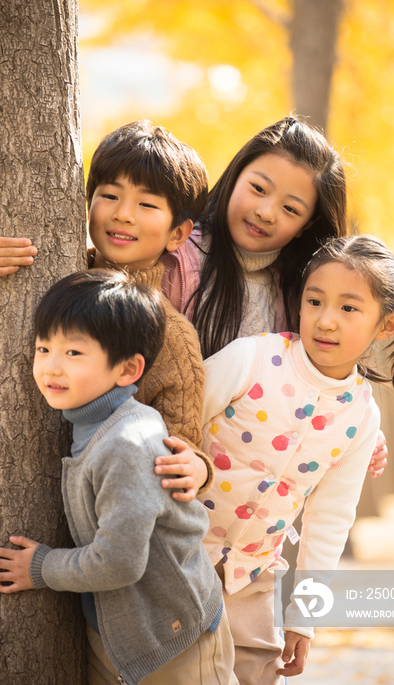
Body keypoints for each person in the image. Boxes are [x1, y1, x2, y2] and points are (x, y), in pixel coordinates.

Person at [191, 235, 394, 684]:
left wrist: (304, 618)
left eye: (348, 308)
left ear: (386, 324)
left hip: (254, 576)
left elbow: (328, 522)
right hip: (180, 554)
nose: (326, 320)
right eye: (315, 300)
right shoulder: (253, 359)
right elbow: (177, 424)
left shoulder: (361, 418)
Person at [0, 269, 238, 685]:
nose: (51, 367)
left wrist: (42, 567)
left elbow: (120, 561)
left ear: (128, 370)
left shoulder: (127, 443)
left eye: (73, 353)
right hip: (124, 631)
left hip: (176, 637)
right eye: (43, 348)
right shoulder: (92, 422)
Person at [158, 116, 386, 478]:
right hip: (162, 458)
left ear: (306, 226)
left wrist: (352, 427)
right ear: (236, 175)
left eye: (290, 209)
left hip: (239, 492)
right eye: (259, 189)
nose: (265, 212)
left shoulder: (301, 296)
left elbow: (314, 376)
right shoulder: (175, 257)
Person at [0, 120, 214, 500]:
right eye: (110, 196)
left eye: (147, 204)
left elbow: (182, 445)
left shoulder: (171, 334)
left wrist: (198, 467)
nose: (124, 214)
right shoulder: (51, 271)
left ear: (178, 234)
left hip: (102, 508)